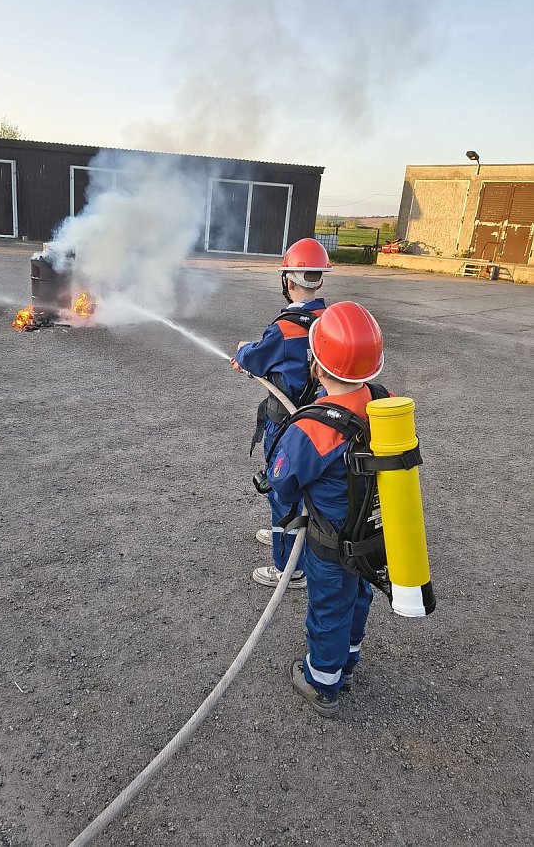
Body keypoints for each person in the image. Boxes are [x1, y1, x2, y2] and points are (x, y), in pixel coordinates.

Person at [265, 301, 386, 718]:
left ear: (316, 365)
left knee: (328, 609)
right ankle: (348, 662)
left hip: (330, 543)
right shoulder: (386, 406)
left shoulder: (313, 426)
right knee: (360, 595)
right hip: (372, 535)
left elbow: (281, 480)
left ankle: (323, 683)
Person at [230, 238, 332, 590]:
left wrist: (244, 352)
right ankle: (285, 537)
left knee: (281, 488)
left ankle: (288, 568)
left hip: (284, 422)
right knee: (301, 485)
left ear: (288, 280)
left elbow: (256, 358)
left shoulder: (286, 325)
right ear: (319, 279)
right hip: (314, 420)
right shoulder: (326, 320)